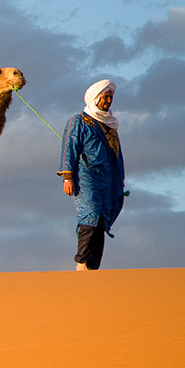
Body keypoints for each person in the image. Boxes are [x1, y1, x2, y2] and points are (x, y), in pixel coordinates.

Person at [57, 79, 126, 271]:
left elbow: (117, 155)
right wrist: (67, 177)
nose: (108, 100)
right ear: (96, 98)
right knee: (91, 216)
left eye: (110, 96)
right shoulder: (79, 121)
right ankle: (82, 262)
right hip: (86, 178)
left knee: (102, 221)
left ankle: (93, 268)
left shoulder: (110, 125)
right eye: (105, 96)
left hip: (108, 181)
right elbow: (69, 148)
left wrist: (120, 180)